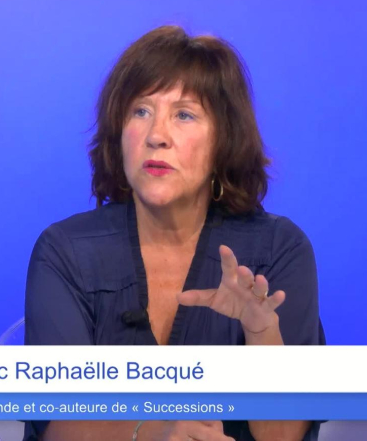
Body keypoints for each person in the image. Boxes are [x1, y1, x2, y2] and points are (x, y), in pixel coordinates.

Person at [24, 25, 325, 441]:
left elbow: (281, 435)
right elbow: (59, 426)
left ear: (224, 140)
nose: (156, 136)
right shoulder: (67, 252)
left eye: (184, 114)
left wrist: (261, 332)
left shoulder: (277, 250)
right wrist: (150, 432)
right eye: (140, 111)